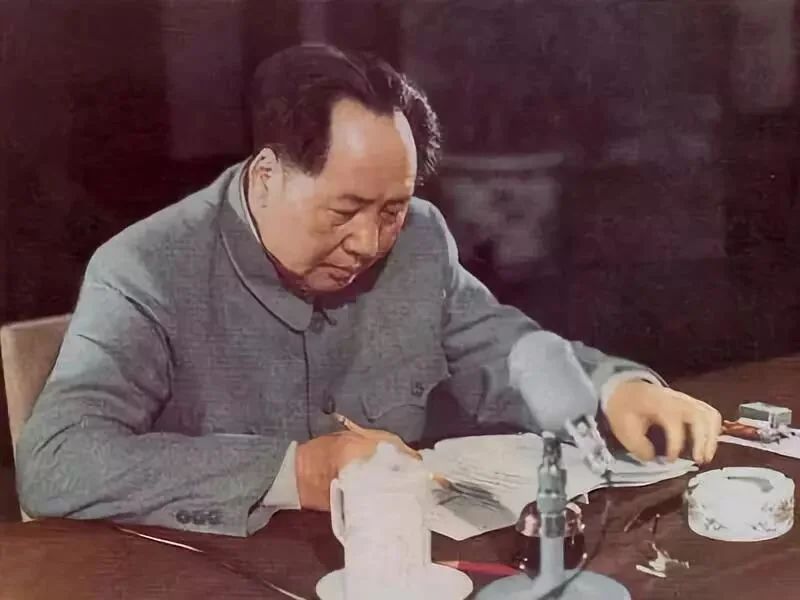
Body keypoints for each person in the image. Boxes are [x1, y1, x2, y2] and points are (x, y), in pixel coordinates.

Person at [15, 44, 722, 537]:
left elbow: (499, 346)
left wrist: (611, 391)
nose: (368, 242)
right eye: (345, 210)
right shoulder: (144, 269)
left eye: (391, 210)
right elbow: (55, 462)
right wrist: (299, 471)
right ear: (267, 174)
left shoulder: (419, 239)